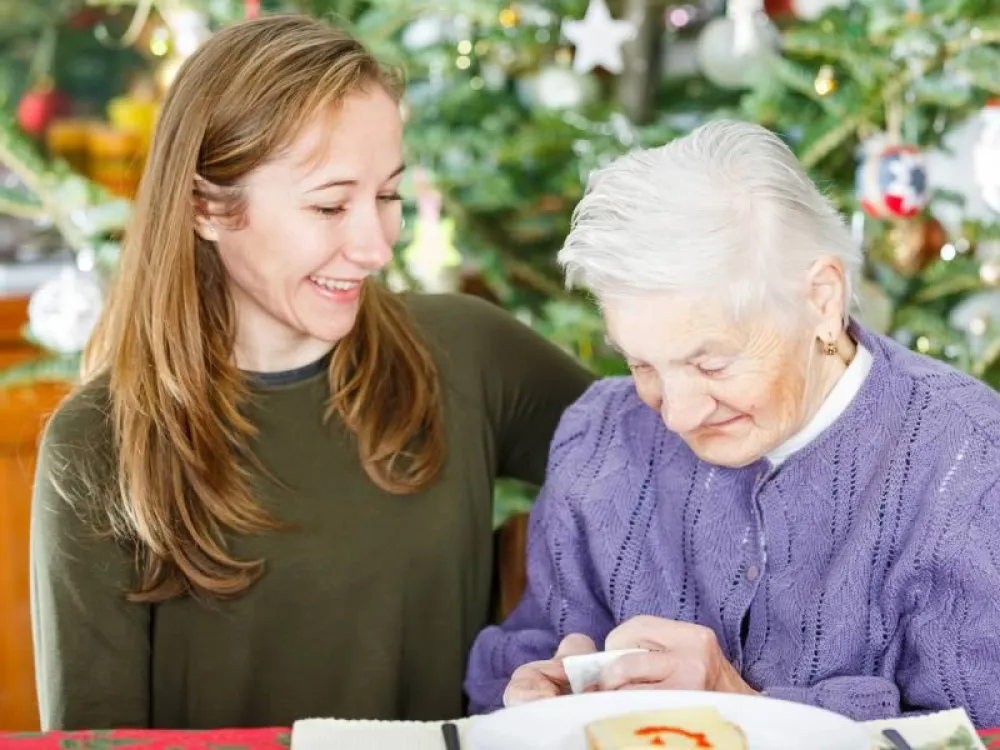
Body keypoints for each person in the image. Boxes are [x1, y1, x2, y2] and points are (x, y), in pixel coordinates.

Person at [30, 14, 593, 731]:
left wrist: (580, 637)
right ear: (206, 207)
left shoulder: (471, 355)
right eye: (329, 205)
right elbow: (94, 741)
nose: (374, 246)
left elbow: (671, 472)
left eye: (387, 196)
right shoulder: (97, 445)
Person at [465, 120, 1000, 727]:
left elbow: (976, 735)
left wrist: (743, 707)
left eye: (711, 363)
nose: (677, 412)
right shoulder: (602, 435)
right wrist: (535, 697)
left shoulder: (970, 466)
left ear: (820, 300)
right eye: (640, 363)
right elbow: (525, 653)